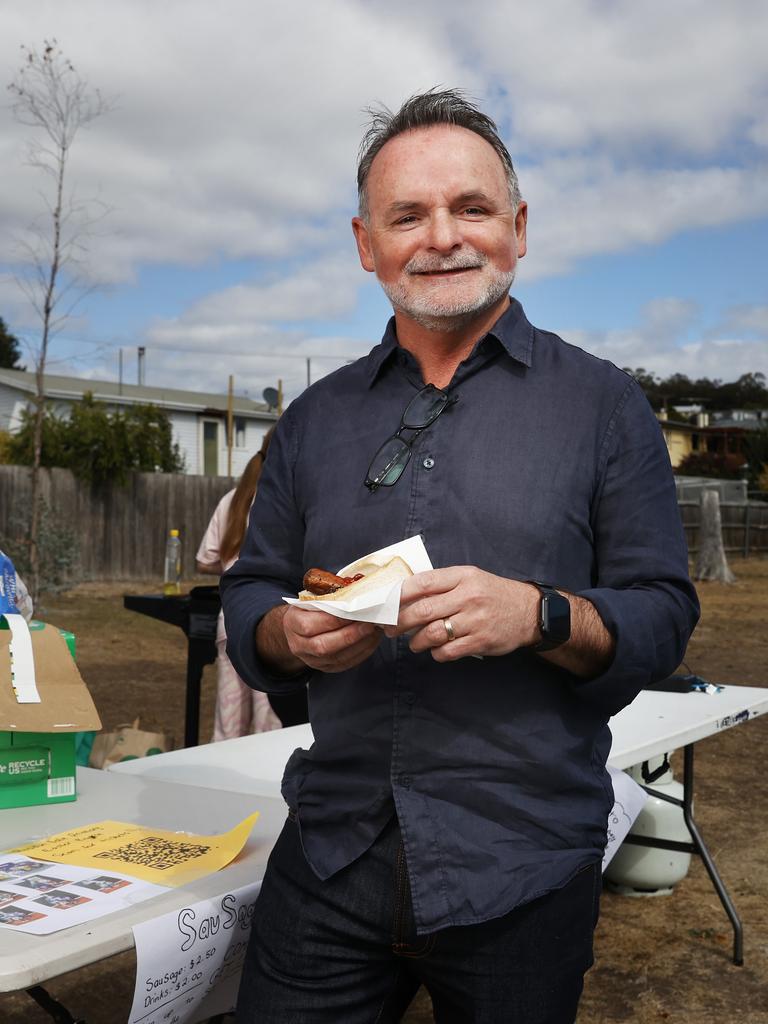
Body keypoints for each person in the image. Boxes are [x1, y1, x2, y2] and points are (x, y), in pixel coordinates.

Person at [221, 89, 700, 1023]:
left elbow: (663, 616)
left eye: (471, 209)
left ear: (518, 229)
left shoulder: (604, 407)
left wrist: (540, 615)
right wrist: (287, 634)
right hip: (329, 855)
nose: (443, 237)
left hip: (521, 865)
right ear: (367, 244)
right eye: (409, 215)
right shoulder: (315, 421)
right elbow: (248, 599)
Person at [196, 428, 283, 740]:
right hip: (275, 624)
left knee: (228, 725)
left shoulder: (231, 500)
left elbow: (205, 560)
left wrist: (231, 567)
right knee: (269, 725)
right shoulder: (286, 503)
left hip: (231, 620)